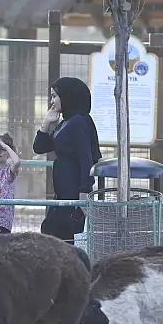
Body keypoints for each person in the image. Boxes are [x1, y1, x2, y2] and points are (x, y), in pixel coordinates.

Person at [32, 77, 102, 244]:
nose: (52, 101)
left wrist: (84, 191)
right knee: (52, 232)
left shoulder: (78, 122)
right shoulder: (66, 122)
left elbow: (86, 157)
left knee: (65, 237)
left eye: (55, 96)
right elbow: (39, 147)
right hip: (62, 193)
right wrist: (46, 123)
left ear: (68, 96)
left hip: (73, 193)